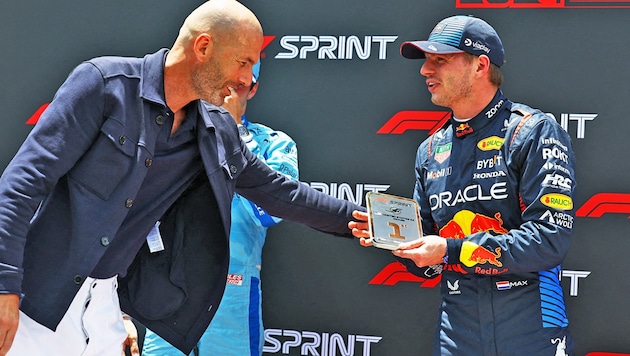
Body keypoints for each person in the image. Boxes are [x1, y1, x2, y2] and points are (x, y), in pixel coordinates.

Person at [0, 1, 363, 355]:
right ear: (203, 46)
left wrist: (367, 222)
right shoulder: (104, 85)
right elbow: (23, 184)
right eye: (243, 62)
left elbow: (282, 194)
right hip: (33, 301)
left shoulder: (217, 130)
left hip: (103, 309)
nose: (244, 79)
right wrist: (4, 287)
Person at [349, 15, 576, 355]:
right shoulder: (430, 150)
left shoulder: (532, 132)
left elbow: (549, 240)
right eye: (426, 61)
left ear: (480, 65)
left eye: (440, 60)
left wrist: (449, 249)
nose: (426, 71)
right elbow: (428, 260)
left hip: (531, 331)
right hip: (458, 336)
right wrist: (394, 238)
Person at [141, 60, 299, 356]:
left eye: (239, 85)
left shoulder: (274, 144)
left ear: (253, 89)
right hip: (170, 284)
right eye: (222, 82)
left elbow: (270, 212)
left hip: (234, 286)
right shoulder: (172, 136)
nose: (228, 93)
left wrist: (230, 135)